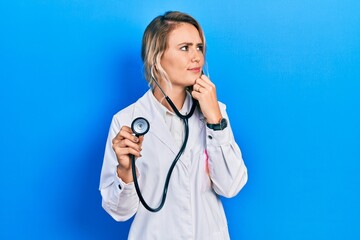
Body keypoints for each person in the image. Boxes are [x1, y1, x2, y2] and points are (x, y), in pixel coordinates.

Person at [99, 11, 248, 240]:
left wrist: (215, 122)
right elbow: (120, 212)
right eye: (185, 48)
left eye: (199, 47)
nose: (197, 57)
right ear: (157, 56)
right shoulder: (126, 121)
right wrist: (126, 170)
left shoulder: (215, 112)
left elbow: (231, 186)